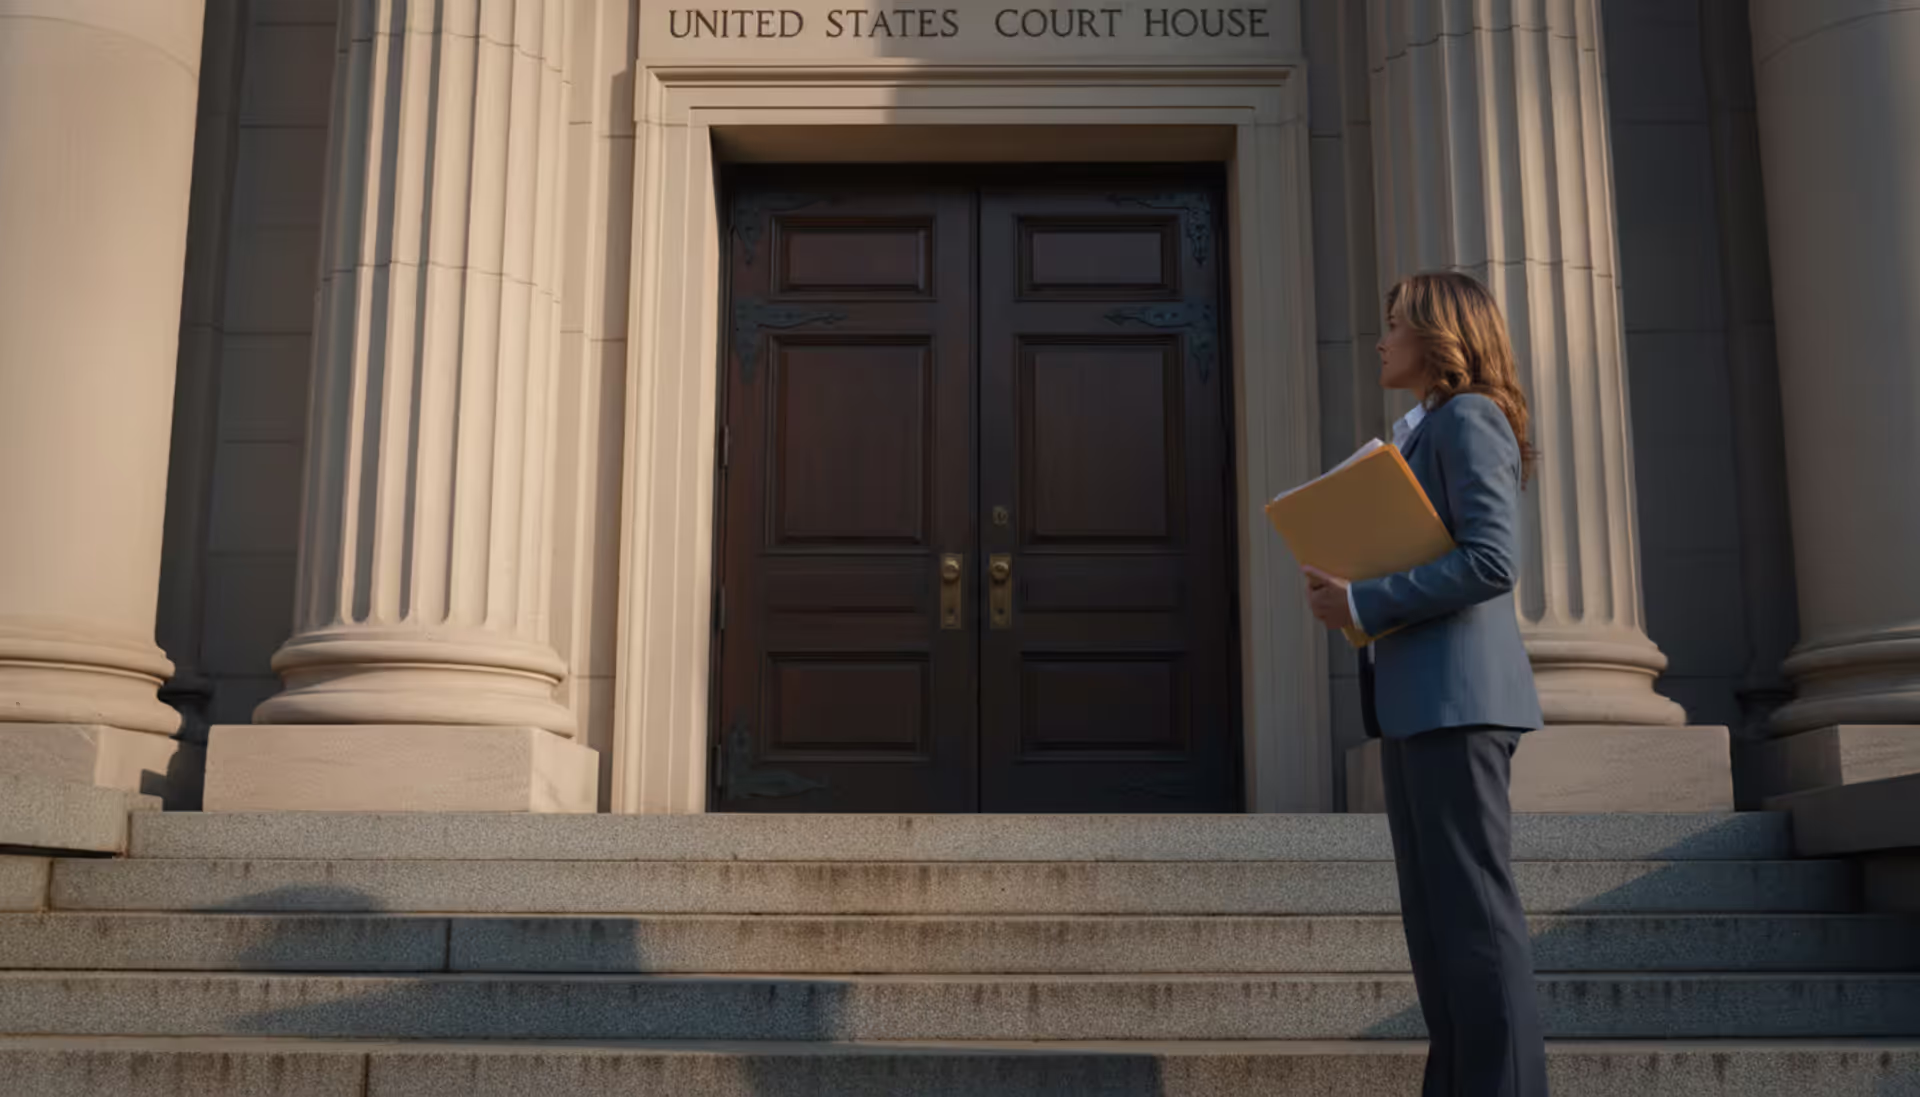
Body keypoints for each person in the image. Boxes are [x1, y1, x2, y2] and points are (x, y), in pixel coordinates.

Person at [1302, 270, 1549, 1097]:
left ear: (1441, 338)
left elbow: (1491, 560)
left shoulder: (1470, 417)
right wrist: (1353, 597)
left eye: (1395, 324)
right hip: (1418, 704)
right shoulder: (1423, 430)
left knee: (1474, 922)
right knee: (1440, 930)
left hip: (1460, 704)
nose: (1379, 339)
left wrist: (1365, 597)